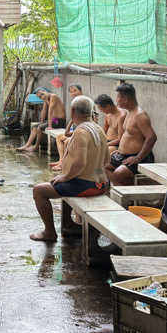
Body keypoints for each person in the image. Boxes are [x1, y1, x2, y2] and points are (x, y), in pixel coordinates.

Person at [30, 95, 109, 241]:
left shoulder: (81, 132)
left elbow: (80, 163)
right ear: (91, 112)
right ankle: (68, 224)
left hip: (87, 186)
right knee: (62, 183)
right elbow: (107, 160)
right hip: (103, 184)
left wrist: (65, 176)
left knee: (39, 190)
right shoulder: (98, 129)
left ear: (72, 111)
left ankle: (49, 232)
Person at [105, 83, 157, 185]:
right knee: (101, 168)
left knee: (117, 174)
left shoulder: (140, 115)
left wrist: (138, 157)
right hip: (123, 155)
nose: (116, 100)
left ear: (125, 99)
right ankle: (123, 190)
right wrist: (119, 151)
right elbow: (127, 137)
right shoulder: (129, 112)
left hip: (139, 157)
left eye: (118, 97)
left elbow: (152, 137)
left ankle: (126, 193)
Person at [16, 87, 66, 152]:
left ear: (46, 92)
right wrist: (41, 121)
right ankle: (27, 145)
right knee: (34, 127)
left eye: (42, 94)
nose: (42, 97)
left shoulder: (53, 96)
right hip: (54, 120)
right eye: (40, 97)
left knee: (40, 127)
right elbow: (44, 110)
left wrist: (50, 126)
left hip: (59, 121)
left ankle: (36, 147)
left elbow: (50, 111)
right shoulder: (46, 99)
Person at [50, 84, 83, 170]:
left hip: (83, 132)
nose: (73, 93)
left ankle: (63, 163)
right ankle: (61, 160)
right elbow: (73, 120)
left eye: (75, 91)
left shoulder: (84, 102)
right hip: (76, 131)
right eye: (71, 92)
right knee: (59, 137)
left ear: (81, 91)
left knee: (67, 141)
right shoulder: (75, 103)